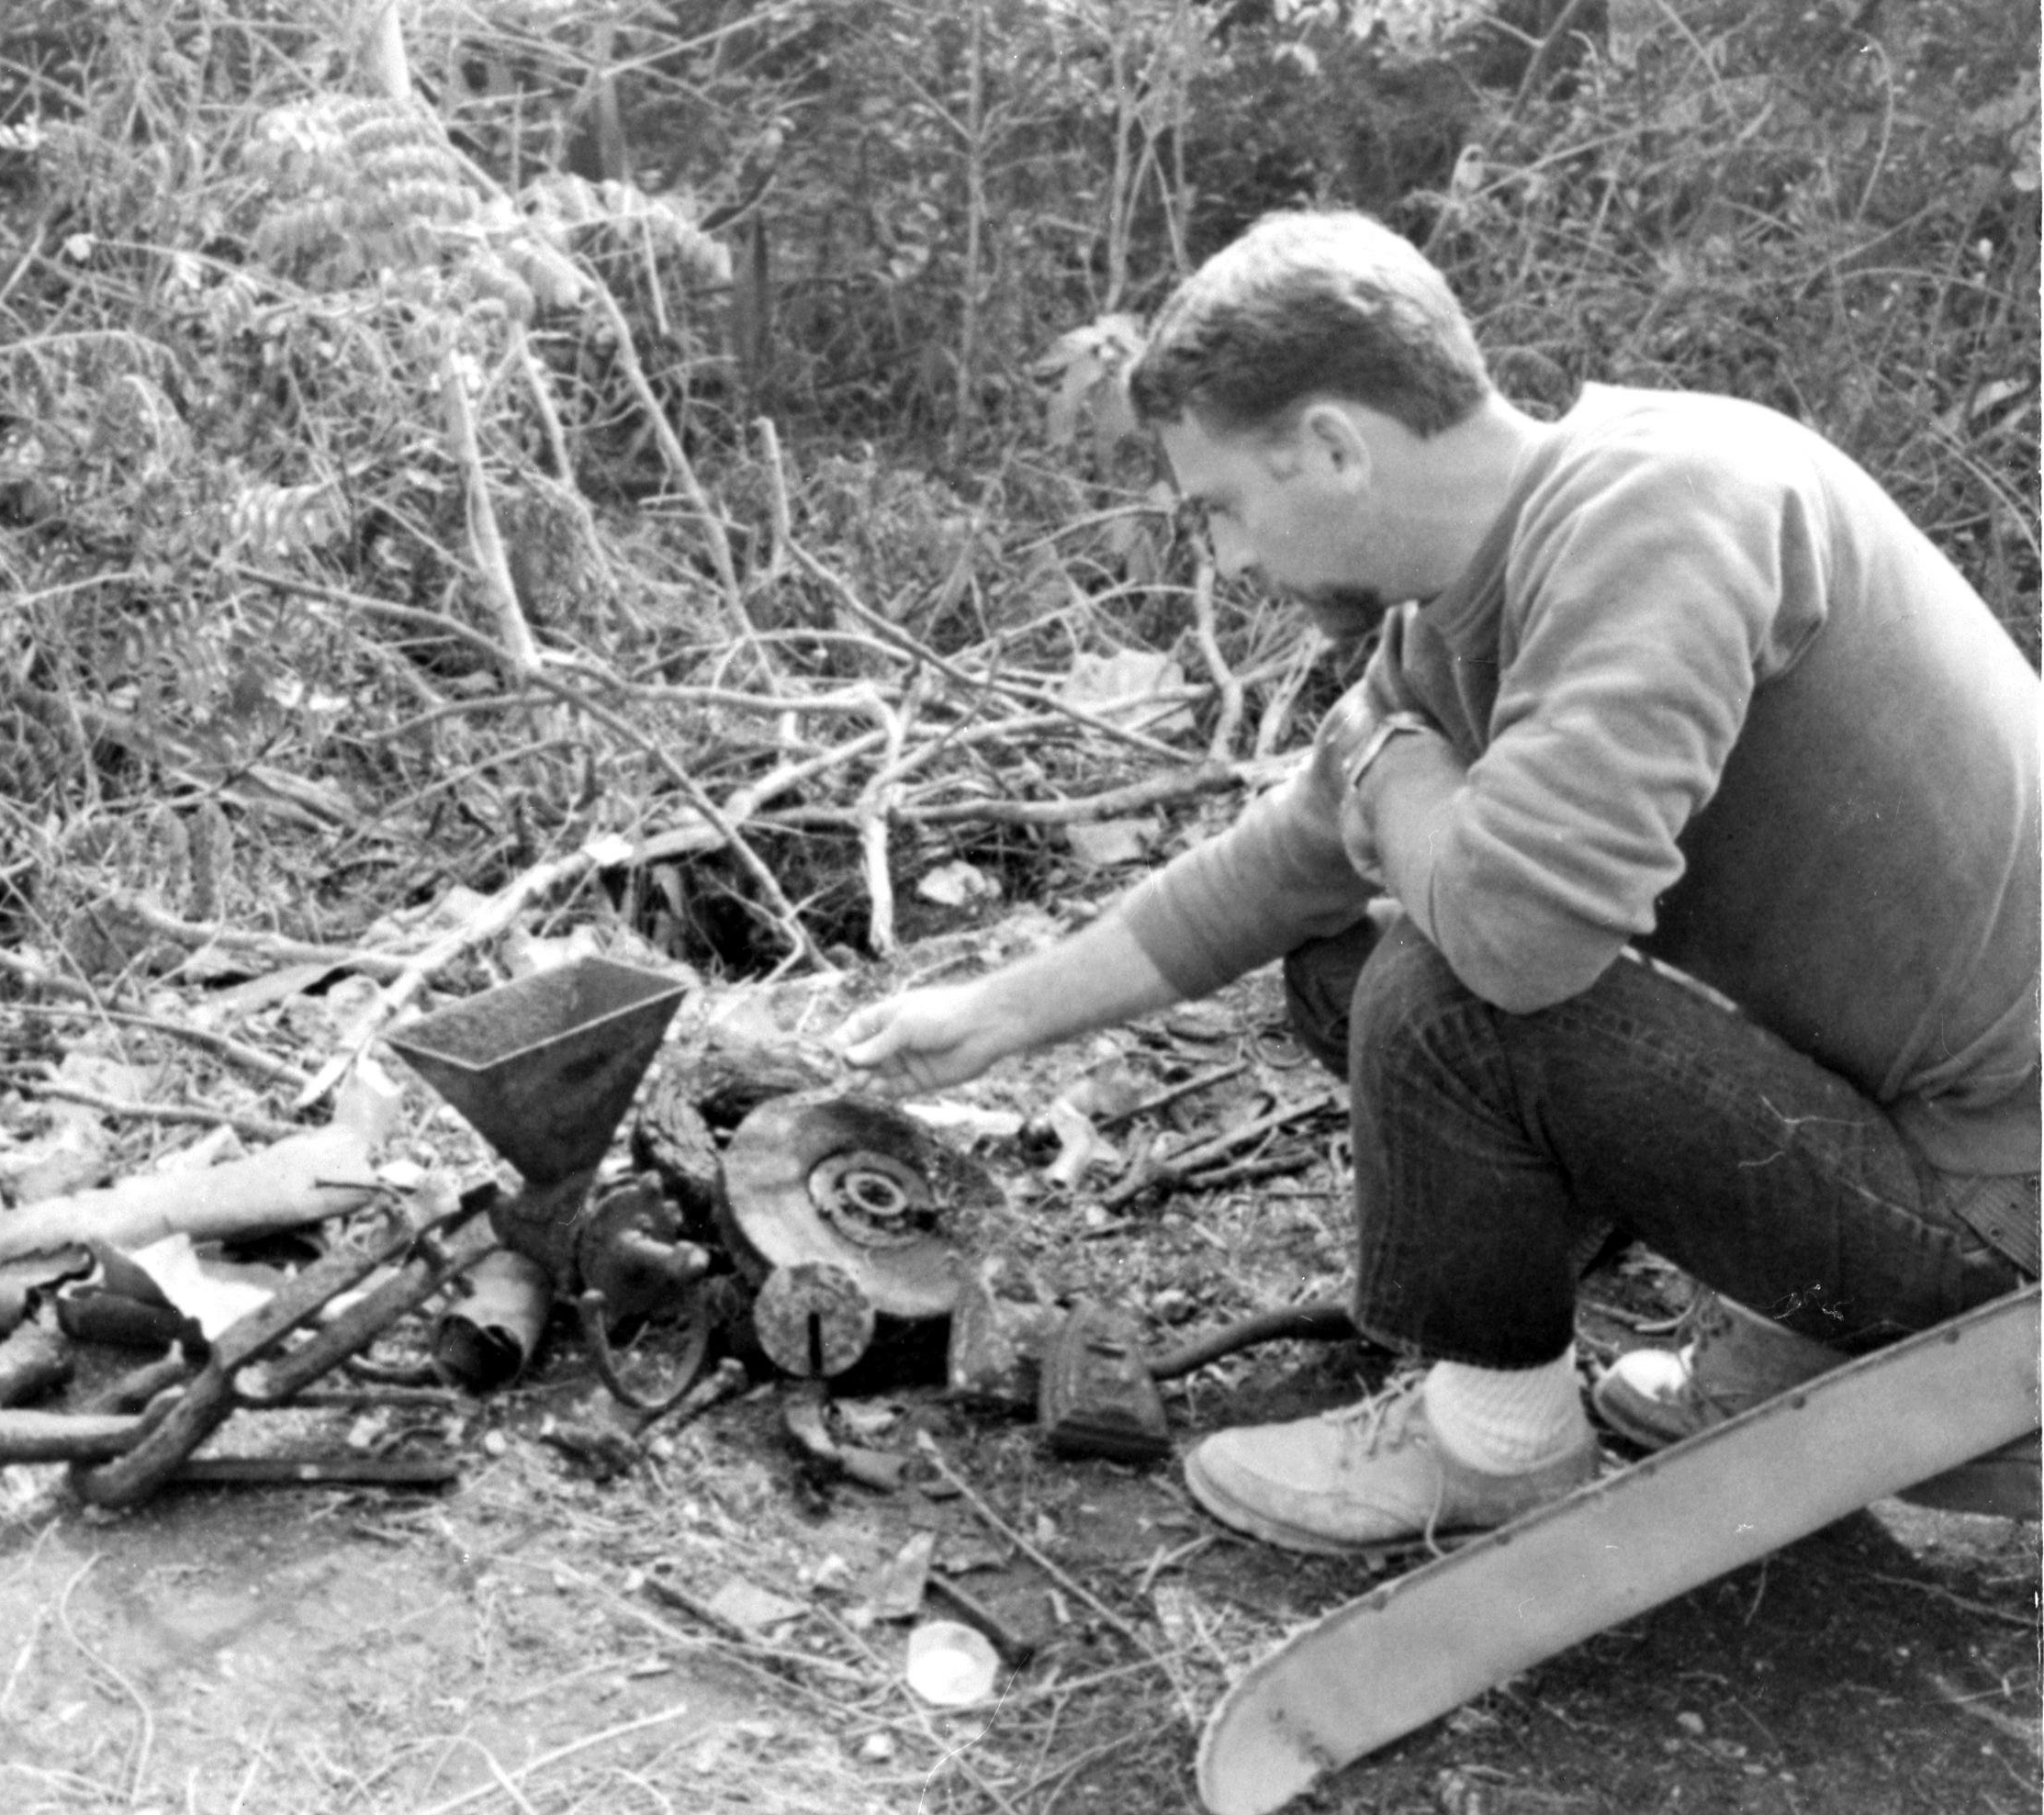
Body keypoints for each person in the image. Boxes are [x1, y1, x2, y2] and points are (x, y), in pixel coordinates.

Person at [837, 207, 2040, 1553]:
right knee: (1346, 969)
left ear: (1338, 445)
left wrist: (1395, 774)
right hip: (1925, 1146)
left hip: (2008, 1227)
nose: (1229, 559)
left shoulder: (1666, 510)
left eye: (1225, 506)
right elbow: (1281, 865)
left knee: (1447, 990)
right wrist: (994, 1015)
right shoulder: (1476, 601)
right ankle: (1777, 1333)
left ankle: (1499, 1444)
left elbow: (1521, 944)